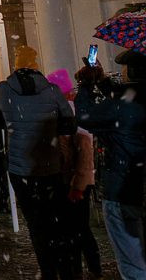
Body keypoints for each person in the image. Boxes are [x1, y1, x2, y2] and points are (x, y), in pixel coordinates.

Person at [0, 45, 76, 280]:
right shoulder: (52, 90)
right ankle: (65, 270)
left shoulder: (4, 90)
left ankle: (48, 271)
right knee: (57, 219)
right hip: (50, 164)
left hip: (21, 167)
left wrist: (12, 126)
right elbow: (69, 122)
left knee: (36, 223)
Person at [75, 50, 146, 280]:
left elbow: (85, 117)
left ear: (129, 73)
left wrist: (86, 85)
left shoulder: (117, 107)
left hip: (122, 190)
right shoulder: (128, 101)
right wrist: (104, 82)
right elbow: (128, 98)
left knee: (133, 265)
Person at [45, 68, 101, 280]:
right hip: (74, 179)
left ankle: (85, 268)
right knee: (77, 229)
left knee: (77, 228)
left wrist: (77, 185)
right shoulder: (71, 109)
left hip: (75, 180)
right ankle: (85, 267)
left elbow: (83, 151)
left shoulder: (69, 111)